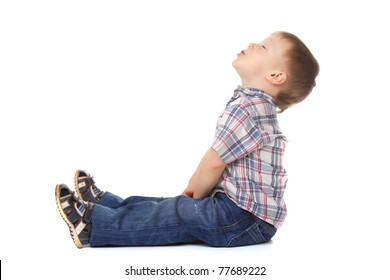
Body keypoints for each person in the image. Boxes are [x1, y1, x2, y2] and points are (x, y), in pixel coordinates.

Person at [55, 31, 319, 248]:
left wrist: (193, 194)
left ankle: (93, 225)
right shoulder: (251, 104)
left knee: (178, 211)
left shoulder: (248, 110)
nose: (252, 43)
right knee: (169, 207)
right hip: (245, 214)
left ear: (275, 76)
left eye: (263, 46)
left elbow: (214, 163)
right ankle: (106, 205)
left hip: (245, 219)